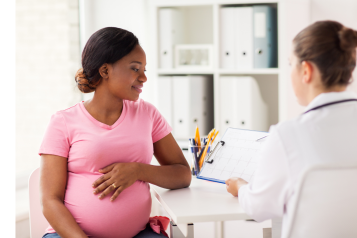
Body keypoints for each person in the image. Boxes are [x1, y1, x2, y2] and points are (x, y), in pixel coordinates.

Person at [39, 27, 192, 238]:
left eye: (144, 70)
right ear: (105, 71)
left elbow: (183, 175)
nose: (143, 78)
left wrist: (138, 171)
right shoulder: (63, 122)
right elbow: (49, 200)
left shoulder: (147, 114)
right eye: (135, 69)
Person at [226, 20, 357, 236]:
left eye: (290, 64)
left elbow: (259, 208)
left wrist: (241, 187)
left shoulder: (287, 135)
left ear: (306, 70)